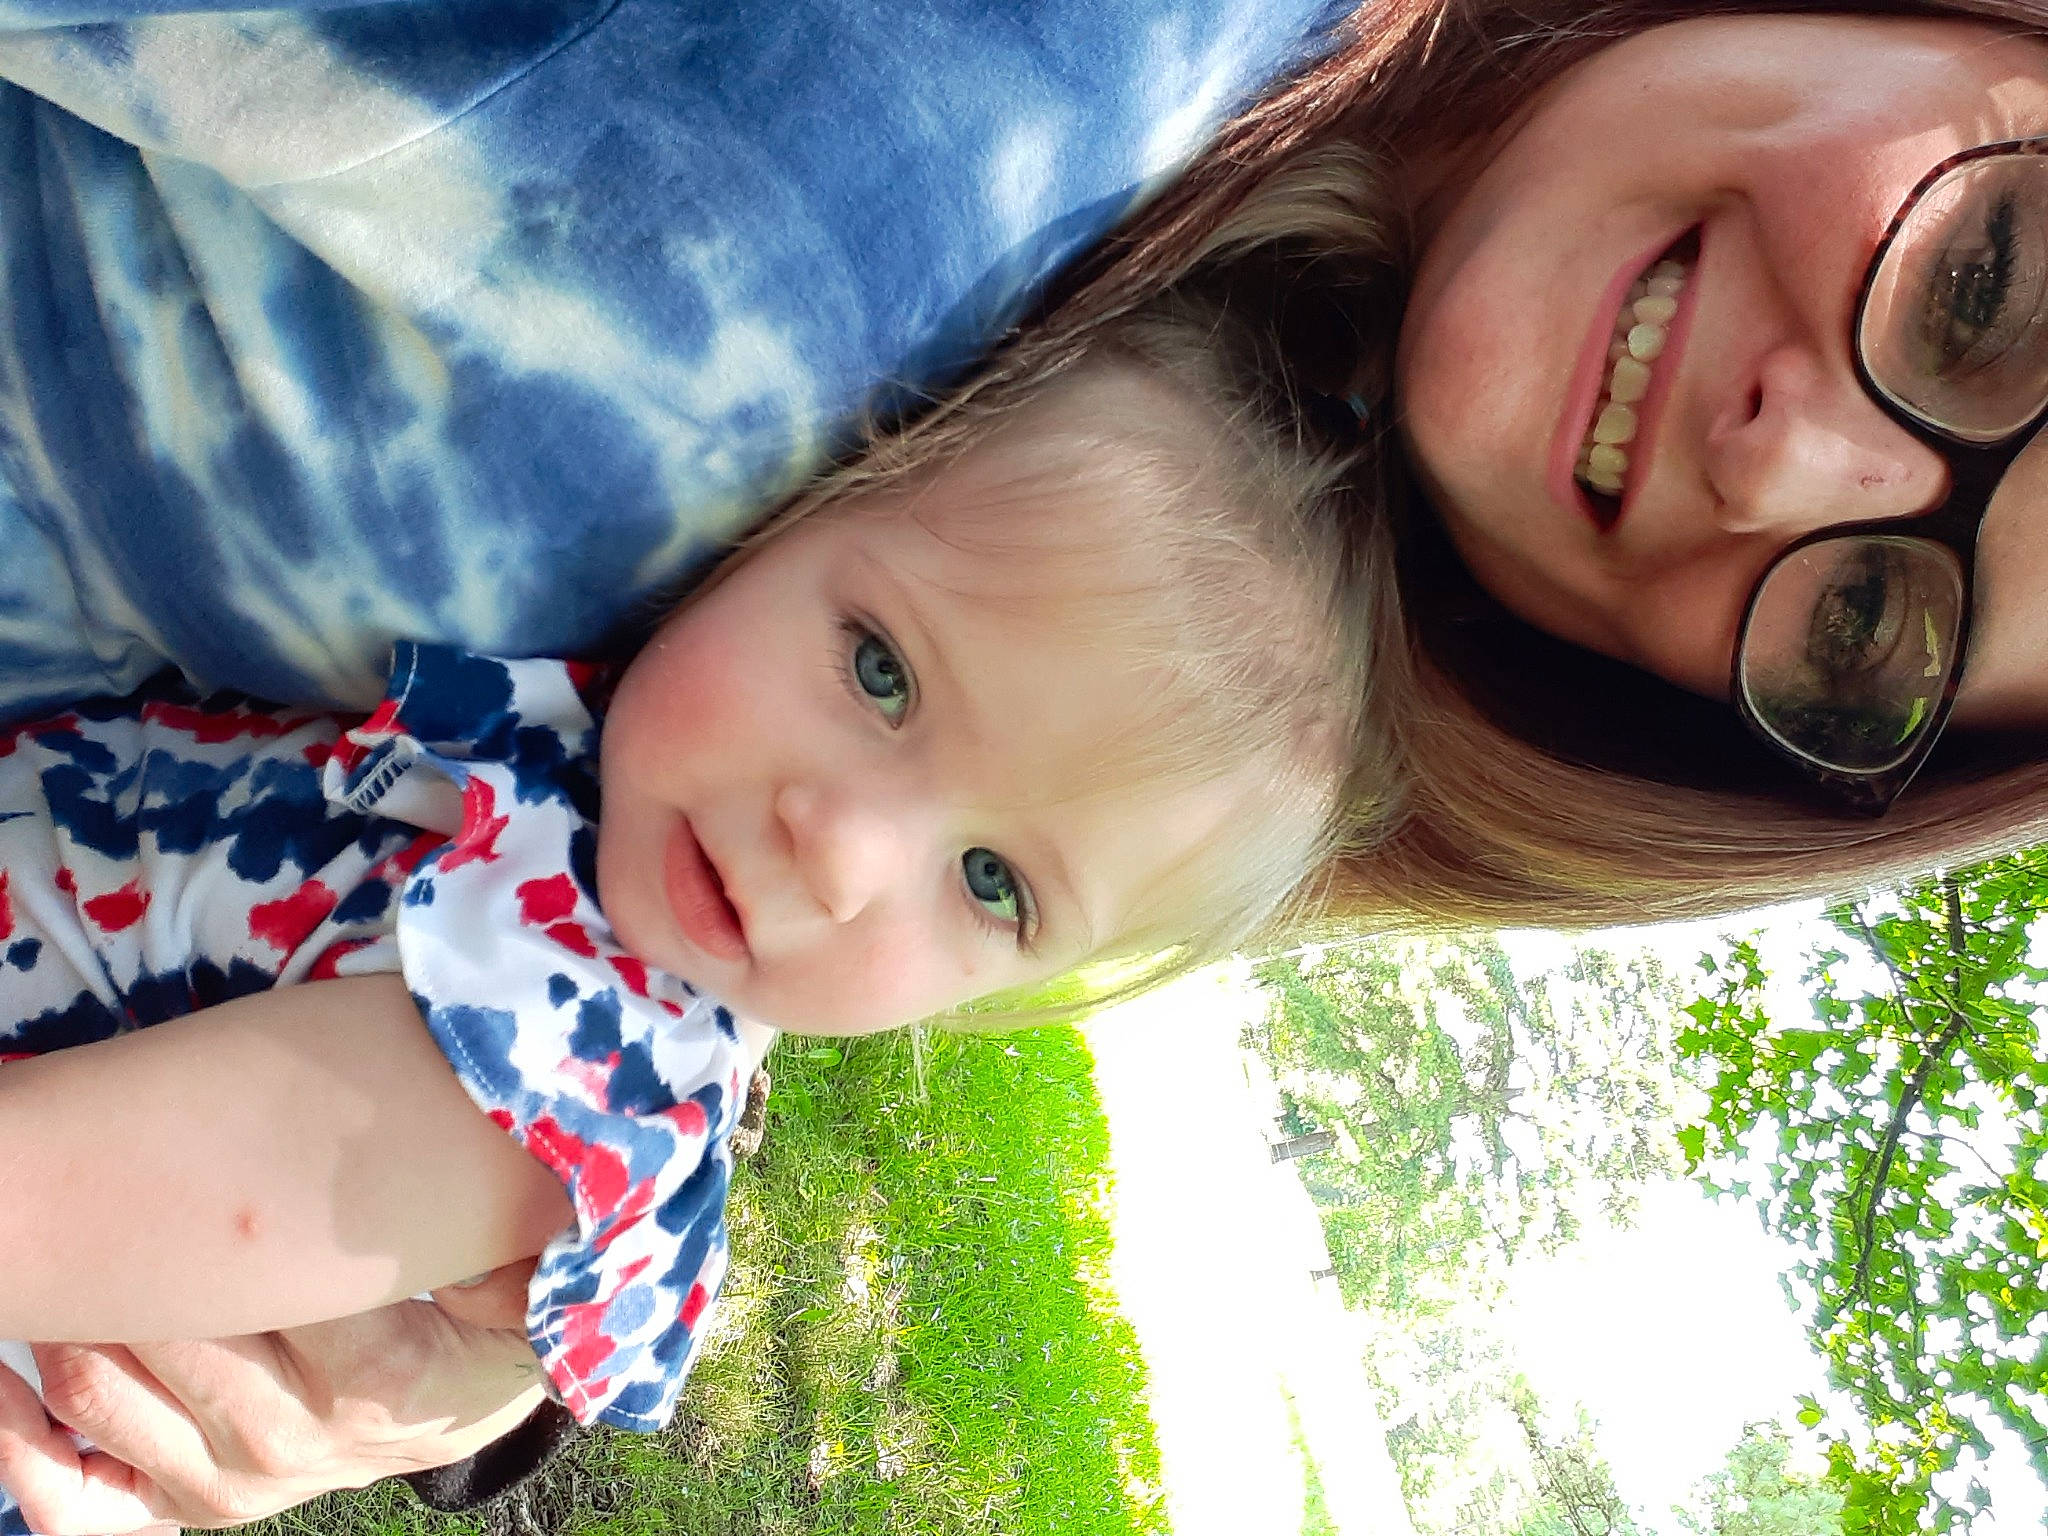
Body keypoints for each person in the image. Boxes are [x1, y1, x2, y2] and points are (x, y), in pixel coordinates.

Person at [0, 293, 1390, 1534]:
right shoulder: (572, 786)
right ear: (792, 512)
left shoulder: (537, 1086)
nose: (838, 851)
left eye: (993, 883)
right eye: (882, 671)